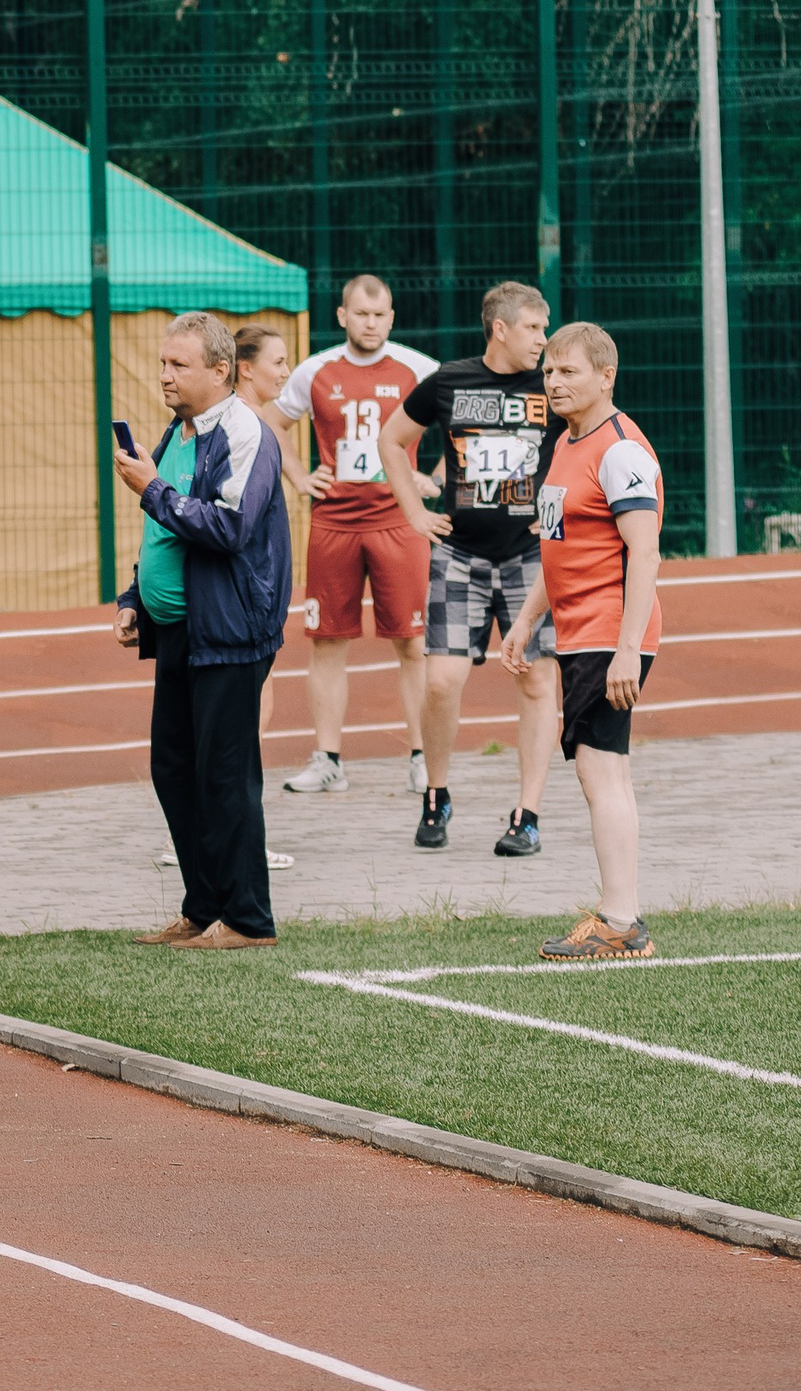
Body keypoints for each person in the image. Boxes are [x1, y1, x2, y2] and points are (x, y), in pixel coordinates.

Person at [113, 312, 292, 951]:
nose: (164, 375)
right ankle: (203, 906)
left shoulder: (246, 433)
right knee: (174, 768)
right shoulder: (177, 431)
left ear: (221, 371)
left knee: (224, 774)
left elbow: (228, 529)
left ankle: (247, 919)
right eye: (163, 363)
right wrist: (136, 597)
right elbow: (163, 532)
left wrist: (151, 488)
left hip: (230, 630)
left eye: (178, 365)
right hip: (181, 629)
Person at [379, 280, 561, 856]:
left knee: (536, 679)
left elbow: (587, 447)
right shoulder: (449, 381)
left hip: (529, 557)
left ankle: (527, 814)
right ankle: (436, 793)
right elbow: (391, 440)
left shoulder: (552, 386)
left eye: (545, 326)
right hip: (460, 554)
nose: (544, 339)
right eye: (534, 327)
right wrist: (414, 510)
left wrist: (555, 516)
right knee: (442, 682)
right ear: (501, 329)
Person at [502, 324, 662, 960]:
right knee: (604, 769)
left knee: (601, 769)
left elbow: (644, 552)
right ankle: (619, 917)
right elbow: (558, 547)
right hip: (579, 634)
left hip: (608, 633)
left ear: (605, 378)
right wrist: (525, 619)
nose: (554, 382)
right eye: (548, 371)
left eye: (568, 371)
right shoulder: (566, 443)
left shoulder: (620, 449)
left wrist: (627, 647)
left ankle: (620, 923)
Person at [256, 276, 439, 797]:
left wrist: (438, 481)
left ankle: (424, 757)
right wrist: (296, 475)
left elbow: (459, 425)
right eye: (361, 314)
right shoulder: (315, 371)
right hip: (334, 523)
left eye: (380, 315)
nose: (371, 324)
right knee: (328, 640)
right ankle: (328, 759)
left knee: (412, 641)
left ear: (392, 317)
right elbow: (268, 423)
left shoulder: (417, 369)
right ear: (342, 316)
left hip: (397, 522)